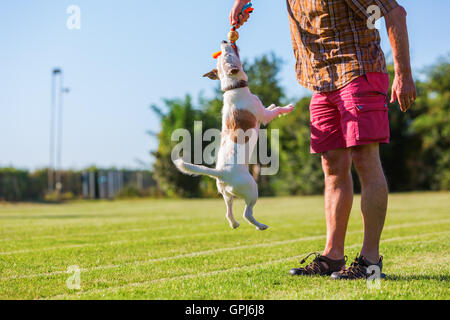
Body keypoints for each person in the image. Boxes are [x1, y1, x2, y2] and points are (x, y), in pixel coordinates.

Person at [230, 0, 416, 279]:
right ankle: (332, 256)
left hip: (359, 71)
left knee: (365, 159)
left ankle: (370, 261)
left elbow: (395, 13)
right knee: (332, 168)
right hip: (322, 81)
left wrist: (403, 74)